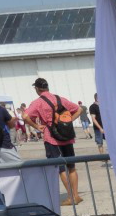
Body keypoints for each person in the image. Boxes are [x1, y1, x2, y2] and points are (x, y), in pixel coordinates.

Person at [23, 77, 84, 205]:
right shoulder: (60, 99)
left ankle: (70, 197)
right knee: (71, 166)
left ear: (37, 89)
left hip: (51, 138)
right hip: (66, 136)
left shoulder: (38, 102)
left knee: (61, 168)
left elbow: (25, 116)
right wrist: (68, 122)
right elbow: (79, 109)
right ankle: (76, 195)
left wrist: (36, 126)